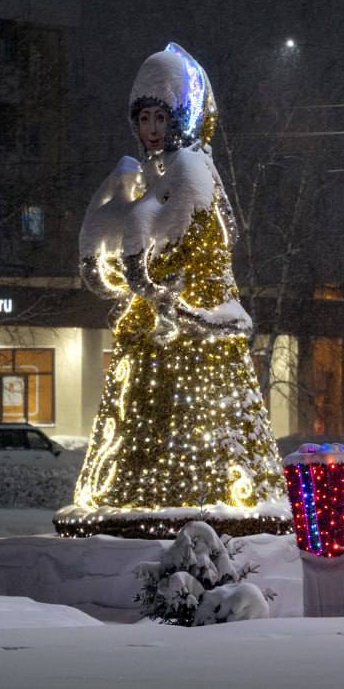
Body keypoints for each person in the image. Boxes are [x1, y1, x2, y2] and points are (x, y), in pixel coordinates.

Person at [59, 44, 288, 538]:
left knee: (203, 422)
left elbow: (169, 231)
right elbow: (133, 235)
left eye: (161, 117)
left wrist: (138, 256)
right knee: (144, 412)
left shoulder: (190, 171)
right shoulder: (150, 176)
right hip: (159, 323)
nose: (152, 129)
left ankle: (206, 498)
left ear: (180, 118)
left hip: (198, 317)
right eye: (144, 118)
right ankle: (136, 493)